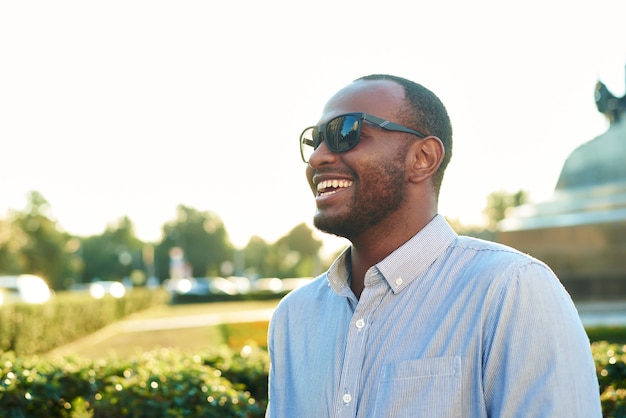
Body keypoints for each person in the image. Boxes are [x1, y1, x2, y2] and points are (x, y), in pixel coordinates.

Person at [266, 74, 601, 417]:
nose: (318, 157)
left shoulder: (510, 291)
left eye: (345, 132)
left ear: (423, 157)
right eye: (315, 140)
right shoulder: (294, 318)